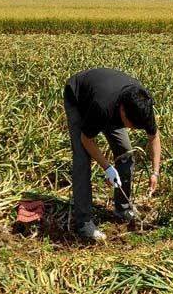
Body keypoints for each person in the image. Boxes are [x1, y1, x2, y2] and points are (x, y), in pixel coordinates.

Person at [63, 68, 161, 241]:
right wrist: (107, 167)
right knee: (82, 159)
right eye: (130, 124)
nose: (130, 128)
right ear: (122, 111)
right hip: (78, 97)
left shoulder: (142, 105)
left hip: (106, 99)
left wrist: (155, 172)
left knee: (125, 152)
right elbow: (87, 140)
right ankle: (84, 223)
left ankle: (122, 208)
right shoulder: (102, 107)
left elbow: (154, 136)